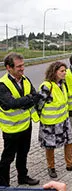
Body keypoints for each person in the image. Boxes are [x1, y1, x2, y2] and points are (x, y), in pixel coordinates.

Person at [37, 62, 72, 178]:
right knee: (50, 145)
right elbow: (38, 104)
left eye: (65, 71)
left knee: (69, 141)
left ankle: (70, 164)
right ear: (54, 72)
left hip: (63, 120)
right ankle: (51, 167)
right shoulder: (46, 86)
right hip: (50, 122)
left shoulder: (62, 84)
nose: (64, 73)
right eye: (61, 71)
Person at [0, 52, 41, 186]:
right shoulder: (2, 85)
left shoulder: (25, 79)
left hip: (25, 125)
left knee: (23, 154)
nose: (22, 68)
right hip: (11, 129)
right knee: (7, 158)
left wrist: (25, 101)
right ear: (8, 67)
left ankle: (22, 177)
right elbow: (9, 104)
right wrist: (28, 99)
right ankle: (4, 184)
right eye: (19, 66)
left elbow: (36, 96)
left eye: (23, 65)